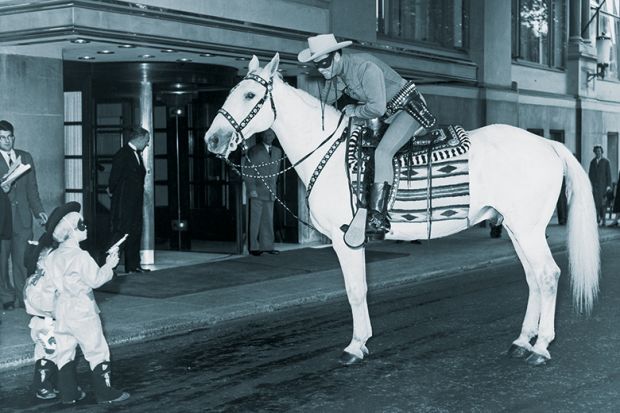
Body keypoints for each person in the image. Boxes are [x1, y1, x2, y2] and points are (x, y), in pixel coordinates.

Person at [298, 33, 436, 236]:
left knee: (382, 154)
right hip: (387, 116)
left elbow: (377, 108)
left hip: (408, 109)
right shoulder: (337, 75)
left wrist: (354, 111)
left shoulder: (364, 68)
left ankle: (379, 218)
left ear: (337, 56)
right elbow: (323, 102)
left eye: (325, 63)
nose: (321, 69)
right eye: (317, 65)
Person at [44, 201, 129, 404]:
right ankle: (105, 392)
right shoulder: (81, 256)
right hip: (82, 308)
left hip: (61, 308)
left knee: (64, 351)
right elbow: (96, 280)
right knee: (96, 349)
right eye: (81, 224)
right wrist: (110, 265)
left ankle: (68, 394)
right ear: (71, 231)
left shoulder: (52, 256)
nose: (86, 226)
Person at [0, 120, 47, 309]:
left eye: (9, 136)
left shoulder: (25, 157)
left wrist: (39, 211)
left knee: (23, 261)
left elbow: (32, 189)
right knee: (1, 262)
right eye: (2, 138)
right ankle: (6, 298)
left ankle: (24, 297)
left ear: (14, 137)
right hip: (2, 220)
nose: (7, 141)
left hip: (22, 219)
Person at [108, 126, 150, 273]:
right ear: (139, 138)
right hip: (124, 203)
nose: (147, 144)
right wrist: (112, 191)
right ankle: (110, 267)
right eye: (146, 140)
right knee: (121, 233)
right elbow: (114, 178)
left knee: (135, 232)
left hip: (136, 203)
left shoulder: (137, 154)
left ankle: (133, 266)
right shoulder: (122, 154)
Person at [23, 233, 59, 400]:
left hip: (40, 323)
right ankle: (42, 385)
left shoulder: (34, 279)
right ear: (40, 262)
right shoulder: (42, 281)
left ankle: (53, 382)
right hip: (46, 323)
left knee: (44, 353)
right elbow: (42, 304)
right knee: (50, 353)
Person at [242, 129, 282, 256]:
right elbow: (248, 171)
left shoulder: (277, 152)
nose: (268, 136)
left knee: (268, 220)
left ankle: (267, 246)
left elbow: (276, 173)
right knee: (254, 221)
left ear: (274, 136)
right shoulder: (254, 150)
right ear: (261, 135)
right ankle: (253, 247)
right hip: (256, 192)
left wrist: (274, 190)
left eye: (271, 134)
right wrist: (251, 189)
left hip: (270, 192)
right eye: (266, 134)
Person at [588, 145, 611, 226]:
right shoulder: (592, 162)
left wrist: (608, 186)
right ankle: (597, 218)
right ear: (595, 152)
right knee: (596, 204)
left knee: (603, 204)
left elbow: (608, 175)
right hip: (595, 186)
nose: (598, 153)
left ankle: (603, 219)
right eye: (596, 151)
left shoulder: (606, 162)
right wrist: (590, 184)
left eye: (599, 151)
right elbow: (590, 174)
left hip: (603, 186)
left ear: (602, 152)